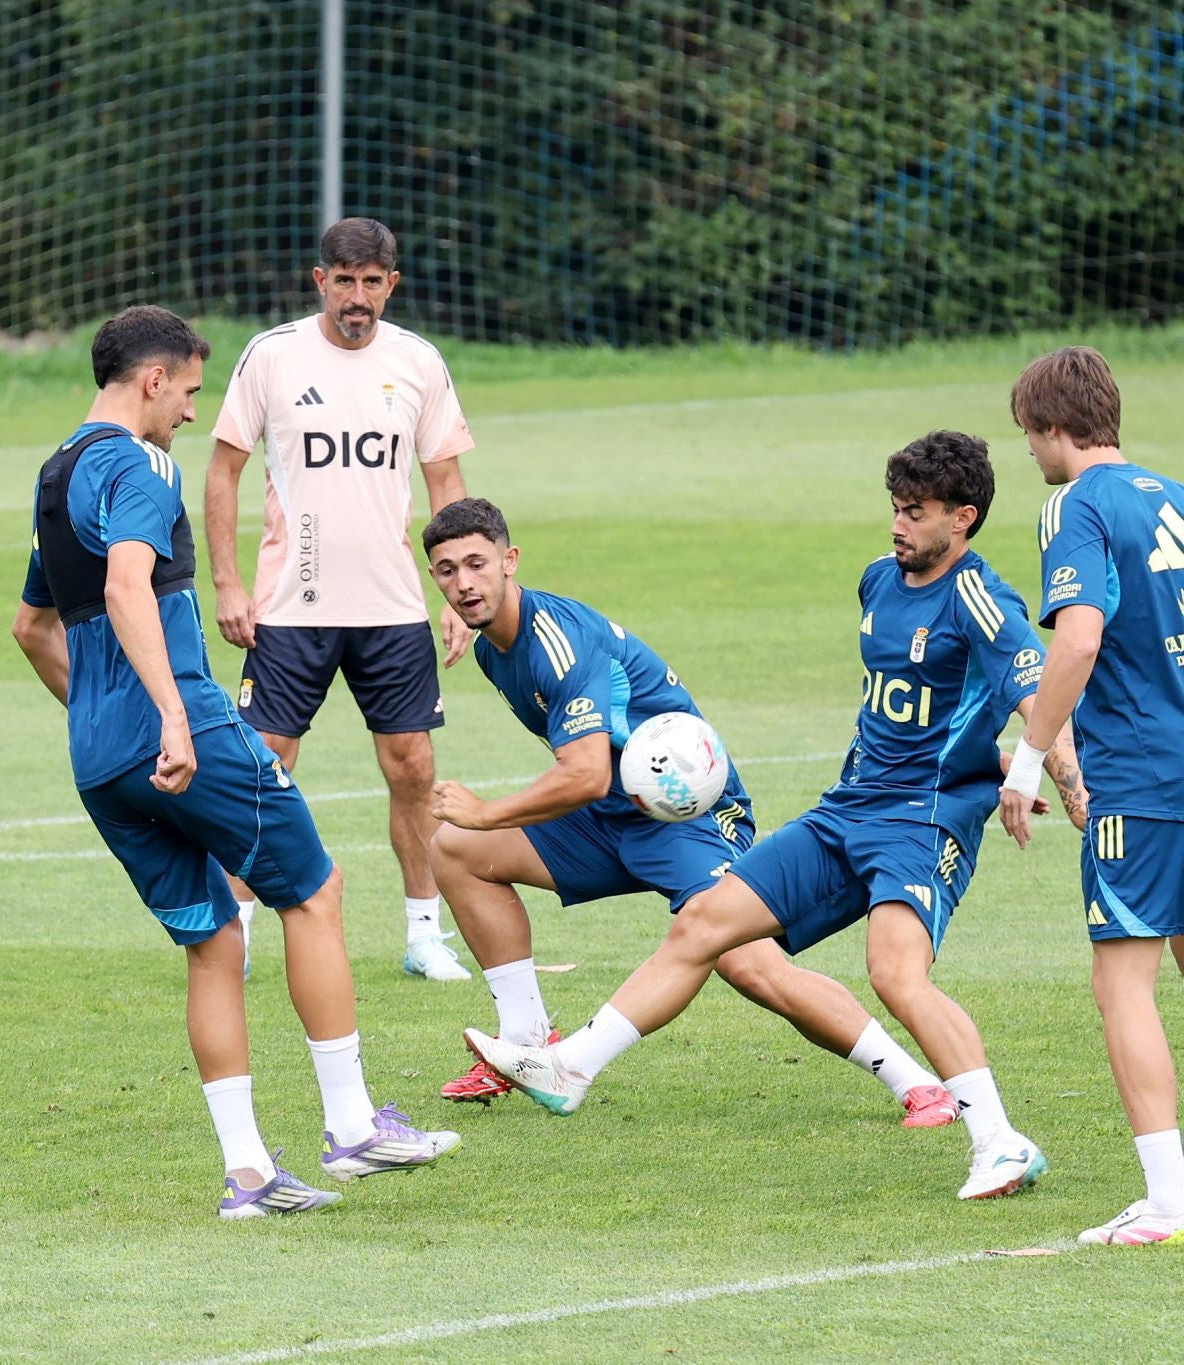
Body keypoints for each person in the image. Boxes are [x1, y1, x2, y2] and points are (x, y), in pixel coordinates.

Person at [462, 435, 1091, 1201]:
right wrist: (986, 756)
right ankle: (571, 1067)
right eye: (895, 507)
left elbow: (1040, 693)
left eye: (916, 512)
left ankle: (999, 1139)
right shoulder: (879, 580)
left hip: (920, 824)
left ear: (963, 518)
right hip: (847, 808)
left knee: (896, 973)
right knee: (704, 926)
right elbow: (922, 716)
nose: (898, 524)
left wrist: (1053, 779)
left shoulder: (979, 599)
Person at [11, 305, 458, 1220]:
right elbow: (128, 585)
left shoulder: (55, 475)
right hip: (185, 732)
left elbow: (32, 628)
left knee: (214, 942)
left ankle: (248, 1175)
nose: (188, 409)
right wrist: (173, 719)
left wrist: (109, 726)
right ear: (151, 379)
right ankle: (352, 1127)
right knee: (315, 890)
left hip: (100, 760)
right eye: (185, 390)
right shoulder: (140, 466)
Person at [421, 498, 962, 1127]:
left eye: (478, 564)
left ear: (510, 561)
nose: (464, 583)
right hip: (611, 817)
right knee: (456, 850)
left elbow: (585, 773)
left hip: (689, 819)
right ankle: (526, 1045)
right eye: (448, 571)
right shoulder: (493, 647)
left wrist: (487, 812)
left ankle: (918, 1084)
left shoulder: (558, 644)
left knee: (748, 964)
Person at [1001, 345, 1184, 1247]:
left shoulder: (1074, 506)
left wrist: (1028, 759)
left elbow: (1078, 639)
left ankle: (1169, 1203)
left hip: (1141, 777)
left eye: (1028, 436)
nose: (1029, 453)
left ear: (1054, 427)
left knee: (1122, 982)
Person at [205, 217, 475, 983]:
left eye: (372, 282)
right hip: (291, 606)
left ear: (393, 284)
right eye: (344, 280)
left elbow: (446, 481)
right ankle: (236, 933)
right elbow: (223, 471)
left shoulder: (418, 361)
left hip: (393, 609)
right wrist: (227, 581)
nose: (357, 297)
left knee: (413, 767)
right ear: (319, 280)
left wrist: (460, 592)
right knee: (261, 765)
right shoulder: (273, 355)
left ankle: (424, 934)